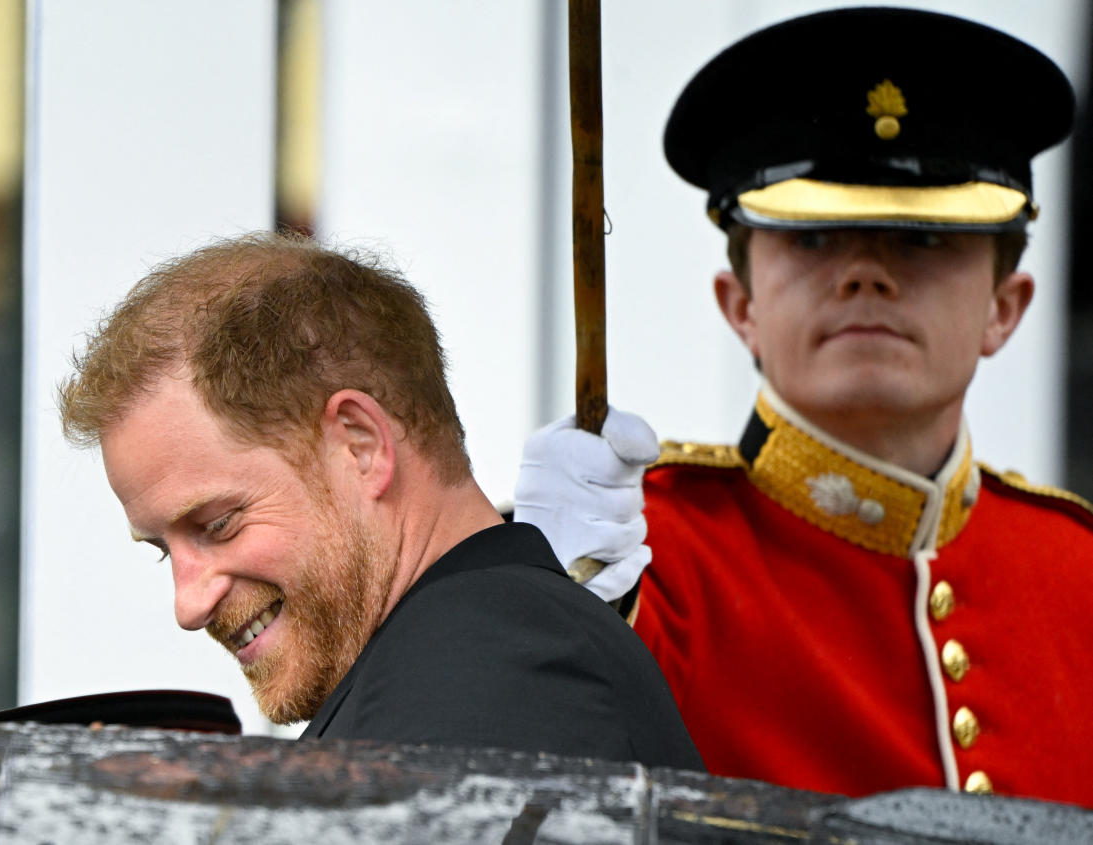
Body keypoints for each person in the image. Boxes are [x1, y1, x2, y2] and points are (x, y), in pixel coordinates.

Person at [514, 6, 1093, 804]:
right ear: (738, 303)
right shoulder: (639, 560)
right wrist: (531, 593)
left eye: (921, 240)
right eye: (814, 239)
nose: (864, 274)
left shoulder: (1075, 568)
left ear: (1005, 305)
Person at [57, 232, 702, 770]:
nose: (188, 606)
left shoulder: (490, 668)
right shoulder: (456, 659)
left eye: (218, 524)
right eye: (163, 553)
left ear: (360, 445)